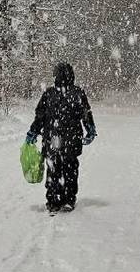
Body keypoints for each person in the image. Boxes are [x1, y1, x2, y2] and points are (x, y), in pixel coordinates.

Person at [25, 62, 96, 214]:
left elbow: (40, 117)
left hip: (52, 141)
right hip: (72, 140)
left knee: (53, 171)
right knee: (70, 170)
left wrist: (32, 132)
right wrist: (90, 130)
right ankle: (69, 200)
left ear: (56, 75)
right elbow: (86, 114)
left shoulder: (49, 94)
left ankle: (53, 201)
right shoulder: (78, 93)